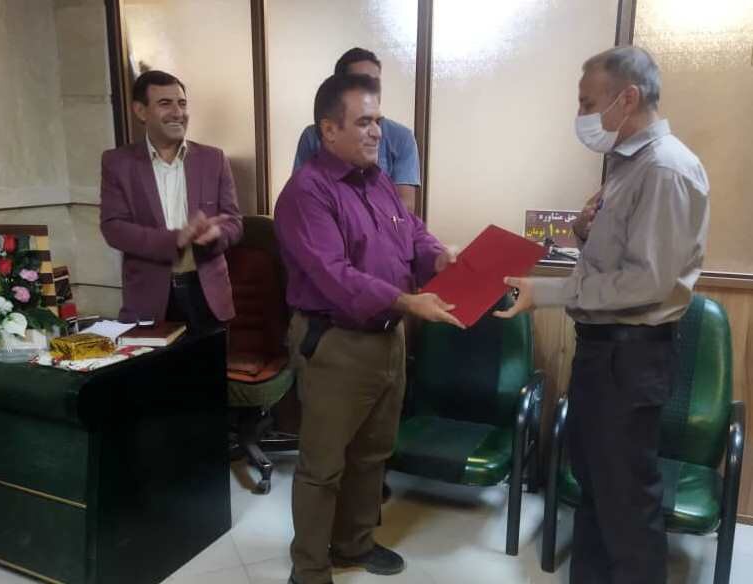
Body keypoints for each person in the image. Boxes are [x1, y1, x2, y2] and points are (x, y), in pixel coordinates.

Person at [496, 46, 709, 584]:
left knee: (626, 503)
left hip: (629, 357)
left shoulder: (665, 169)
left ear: (627, 97)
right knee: (594, 487)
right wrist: (584, 233)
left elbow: (647, 281)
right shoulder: (628, 162)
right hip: (603, 351)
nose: (582, 115)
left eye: (588, 103)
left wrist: (547, 293)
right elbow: (620, 261)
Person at [274, 73, 462, 584]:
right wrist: (406, 300)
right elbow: (334, 275)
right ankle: (309, 569)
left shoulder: (377, 181)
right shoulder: (306, 193)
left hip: (387, 338)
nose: (377, 131)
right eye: (363, 122)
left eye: (377, 120)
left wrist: (441, 259)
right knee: (322, 466)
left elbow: (414, 236)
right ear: (328, 129)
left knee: (372, 454)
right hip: (336, 343)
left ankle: (353, 545)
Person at [100, 70, 242, 332]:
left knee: (209, 360)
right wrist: (174, 240)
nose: (178, 113)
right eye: (165, 104)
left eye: (182, 103)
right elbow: (113, 228)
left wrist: (216, 234)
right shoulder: (118, 163)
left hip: (208, 297)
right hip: (149, 300)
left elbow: (234, 222)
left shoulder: (213, 159)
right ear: (140, 111)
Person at [293, 47, 421, 212]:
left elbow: (406, 210)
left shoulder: (401, 139)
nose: (376, 133)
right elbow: (302, 199)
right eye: (362, 82)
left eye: (375, 83)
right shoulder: (312, 138)